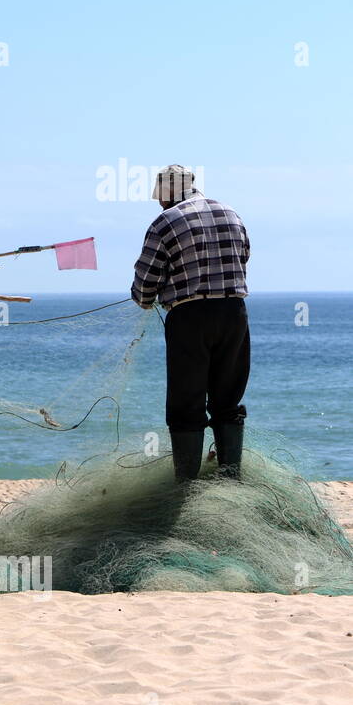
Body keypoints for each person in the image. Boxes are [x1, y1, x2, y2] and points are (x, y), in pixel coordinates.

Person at [131, 164, 250, 481]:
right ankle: (230, 477)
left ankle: (186, 485)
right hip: (234, 313)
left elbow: (146, 282)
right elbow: (244, 255)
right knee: (228, 400)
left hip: (189, 317)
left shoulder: (164, 223)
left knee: (187, 403)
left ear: (167, 194)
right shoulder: (231, 213)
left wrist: (144, 300)